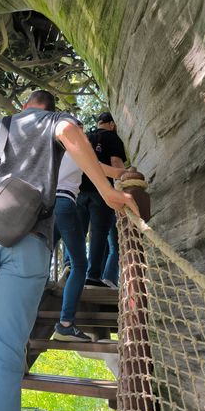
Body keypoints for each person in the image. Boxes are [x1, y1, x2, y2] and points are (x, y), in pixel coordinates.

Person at [0, 91, 139, 411]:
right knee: (5, 355)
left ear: (24, 107)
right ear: (50, 108)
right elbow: (69, 134)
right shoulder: (55, 121)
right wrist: (107, 191)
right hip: (28, 238)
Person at [53, 122, 125, 341]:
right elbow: (104, 169)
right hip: (65, 202)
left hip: (45, 205)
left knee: (42, 254)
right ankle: (65, 323)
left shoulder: (52, 151)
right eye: (82, 132)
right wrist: (124, 173)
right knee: (80, 264)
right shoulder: (77, 149)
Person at [77, 112, 127, 286]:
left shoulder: (85, 137)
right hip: (100, 191)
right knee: (99, 234)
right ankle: (92, 275)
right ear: (112, 124)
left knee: (79, 234)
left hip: (78, 192)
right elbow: (116, 163)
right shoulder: (112, 138)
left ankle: (74, 271)